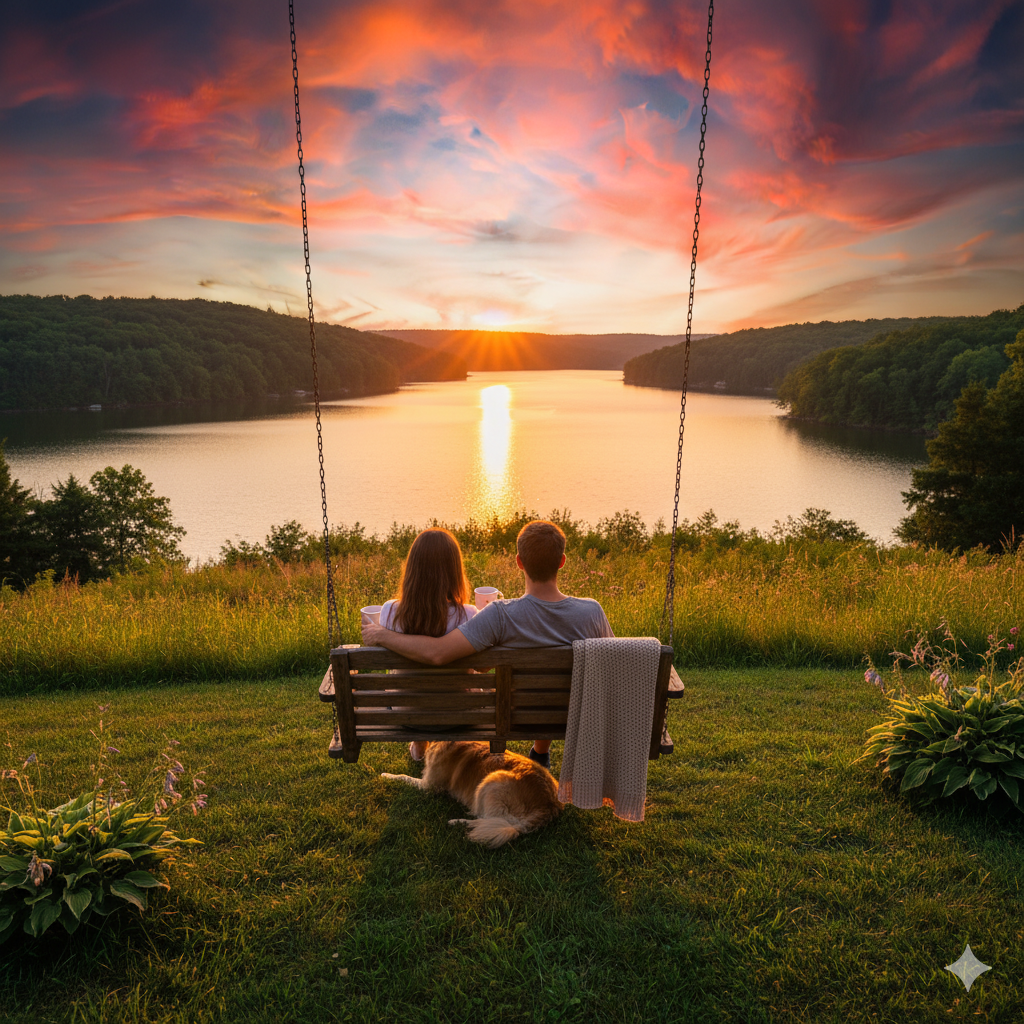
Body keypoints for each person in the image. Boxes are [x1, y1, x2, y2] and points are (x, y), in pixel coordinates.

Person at [362, 519, 613, 769]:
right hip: (572, 716)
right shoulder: (592, 612)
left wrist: (381, 634)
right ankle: (540, 752)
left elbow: (442, 654)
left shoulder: (500, 615)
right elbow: (612, 664)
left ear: (519, 562)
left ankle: (420, 745)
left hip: (505, 716)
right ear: (562, 561)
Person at [370, 527, 478, 762]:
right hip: (456, 716)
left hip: (408, 715)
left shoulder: (389, 611)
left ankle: (419, 746)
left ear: (412, 569)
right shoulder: (470, 615)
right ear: (454, 571)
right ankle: (452, 748)